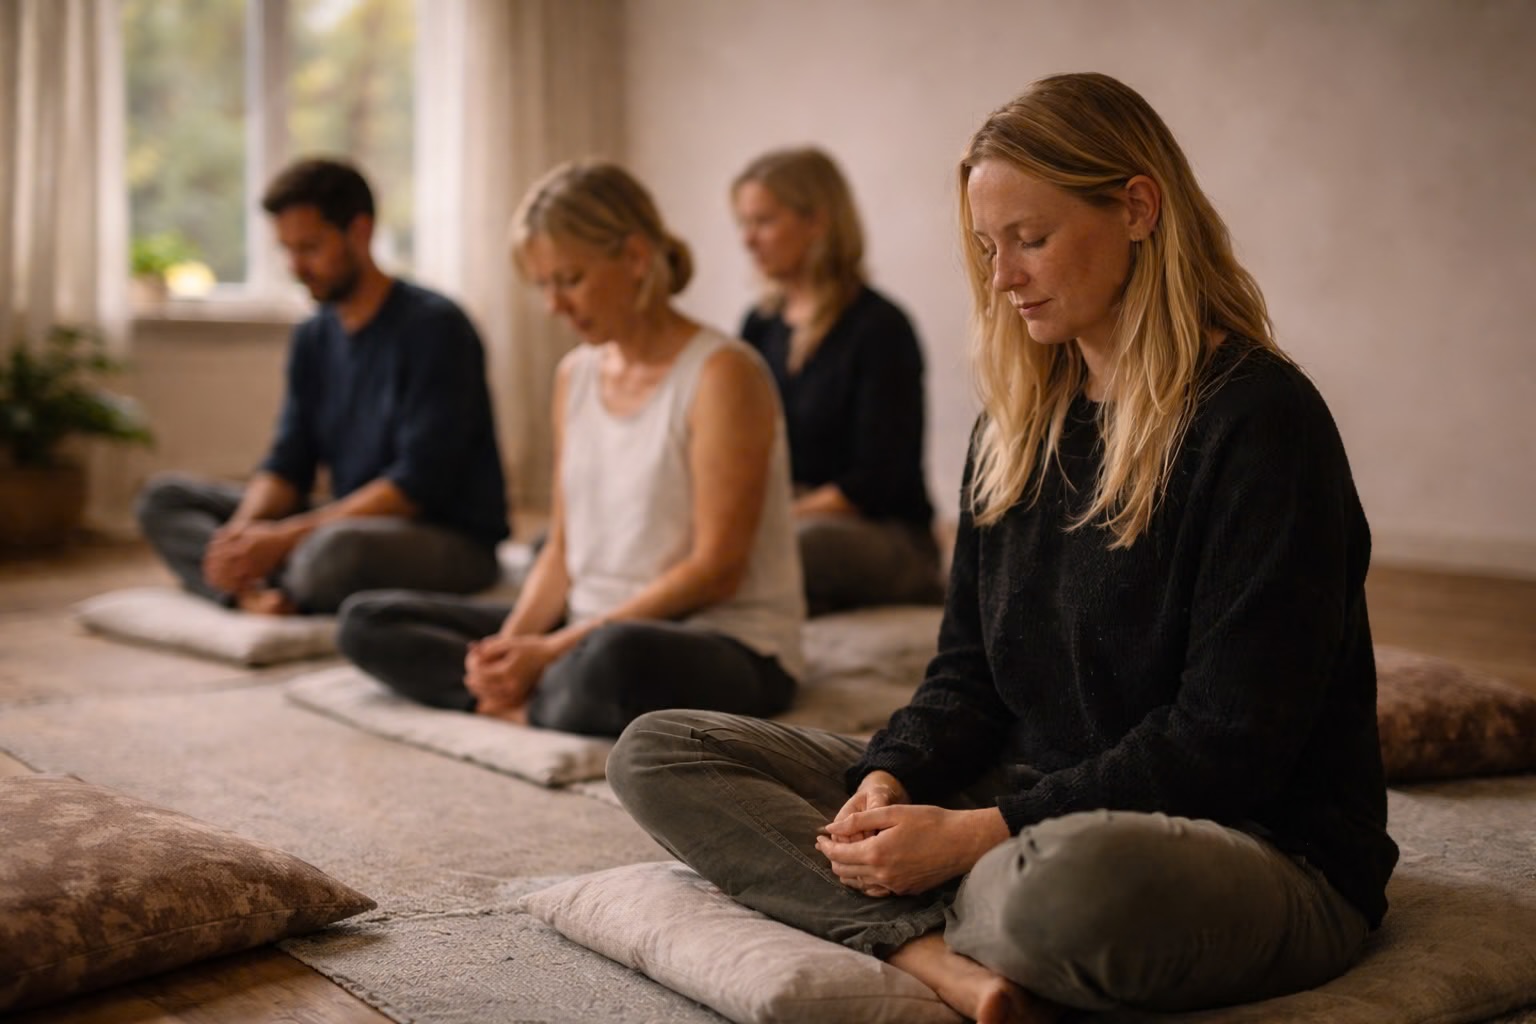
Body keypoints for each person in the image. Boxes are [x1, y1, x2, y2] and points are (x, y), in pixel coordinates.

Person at [610, 73, 1398, 1023]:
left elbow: (1229, 745)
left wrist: (974, 836)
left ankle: (921, 914)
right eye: (987, 247)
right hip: (1029, 804)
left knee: (1058, 893)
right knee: (661, 751)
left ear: (1139, 208)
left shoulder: (1262, 421)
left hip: (1247, 843)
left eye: (1031, 239)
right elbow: (967, 677)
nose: (1001, 277)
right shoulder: (1017, 424)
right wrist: (888, 780)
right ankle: (941, 950)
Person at [334, 161, 804, 737]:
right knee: (367, 621)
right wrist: (511, 647)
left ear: (634, 258)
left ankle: (534, 699)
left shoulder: (724, 375)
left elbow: (716, 572)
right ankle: (520, 695)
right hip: (584, 626)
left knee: (611, 662)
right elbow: (561, 547)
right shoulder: (574, 375)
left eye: (570, 279)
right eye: (542, 285)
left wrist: (555, 649)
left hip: (717, 639)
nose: (554, 305)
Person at [135, 157, 509, 616]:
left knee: (332, 554)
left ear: (360, 232)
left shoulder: (437, 328)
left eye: (309, 248)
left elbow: (417, 487)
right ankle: (248, 587)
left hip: (444, 537)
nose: (296, 266)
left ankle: (270, 582)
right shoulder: (312, 336)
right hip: (345, 518)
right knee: (163, 500)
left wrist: (286, 538)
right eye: (286, 250)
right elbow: (289, 462)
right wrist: (243, 534)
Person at [732, 147, 943, 615]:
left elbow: (876, 481)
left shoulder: (880, 327)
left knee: (792, 545)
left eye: (764, 221)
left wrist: (770, 522)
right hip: (786, 515)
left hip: (883, 533)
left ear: (817, 222)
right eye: (743, 224)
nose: (748, 239)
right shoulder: (759, 325)